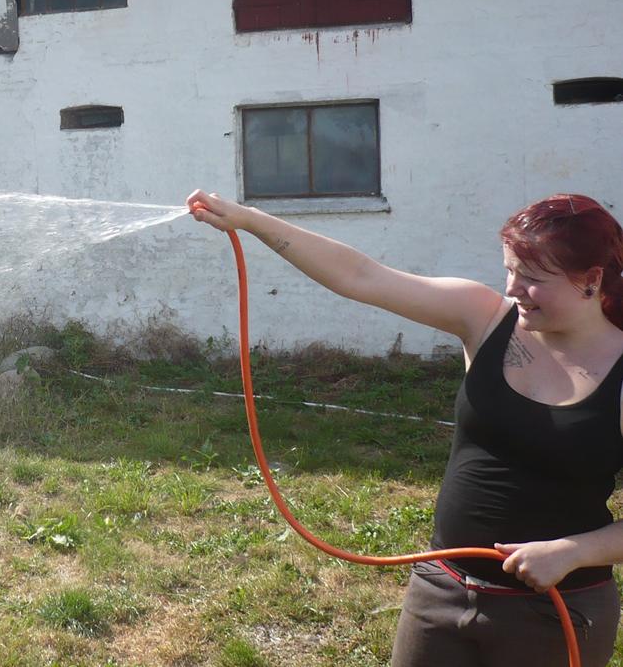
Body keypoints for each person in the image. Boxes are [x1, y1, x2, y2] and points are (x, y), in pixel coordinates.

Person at [187, 189, 623, 667]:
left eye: (532, 278)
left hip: (554, 610)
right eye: (510, 270)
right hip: (441, 587)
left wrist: (572, 551)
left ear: (592, 280)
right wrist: (249, 220)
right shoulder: (485, 319)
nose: (512, 288)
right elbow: (360, 276)